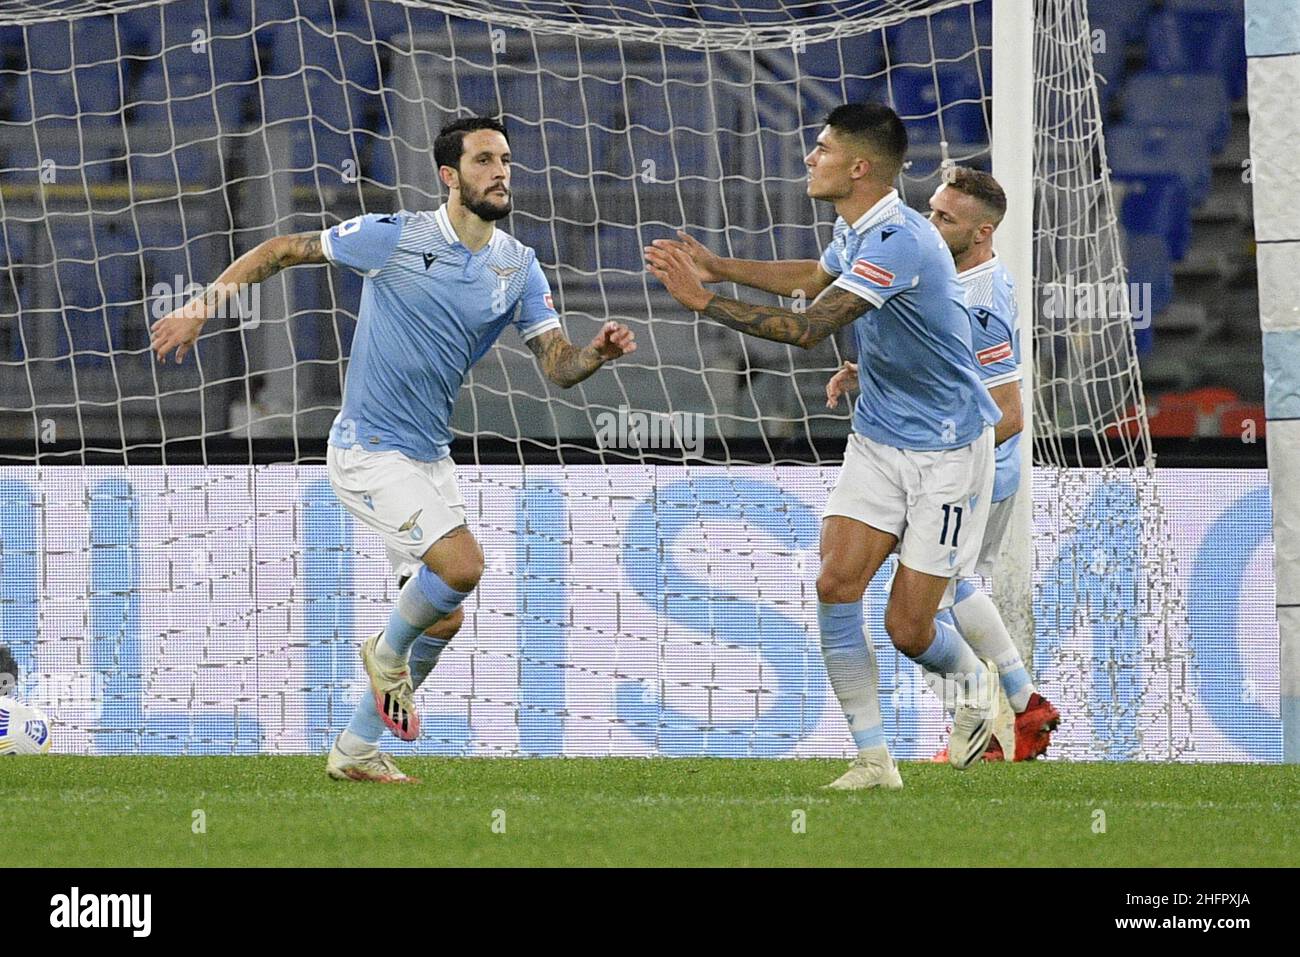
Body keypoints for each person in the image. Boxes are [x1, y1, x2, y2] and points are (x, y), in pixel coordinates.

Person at [151, 116, 636, 782]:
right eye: (485, 160)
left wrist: (597, 355)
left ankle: (353, 749)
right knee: (462, 564)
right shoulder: (395, 236)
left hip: (429, 455)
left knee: (442, 620)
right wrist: (203, 306)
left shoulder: (516, 265)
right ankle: (384, 651)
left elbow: (556, 364)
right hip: (368, 448)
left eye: (506, 160)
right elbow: (286, 248)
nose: (500, 171)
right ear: (450, 176)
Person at [646, 103, 1001, 789]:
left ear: (860, 166)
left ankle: (975, 691)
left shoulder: (900, 238)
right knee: (836, 585)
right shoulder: (857, 227)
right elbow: (816, 276)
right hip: (879, 434)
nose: (811, 158)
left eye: (822, 148)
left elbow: (811, 327)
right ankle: (874, 759)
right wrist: (720, 266)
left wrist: (703, 302)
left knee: (907, 627)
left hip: (949, 450)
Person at [826, 165, 1060, 762]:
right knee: (945, 592)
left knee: (924, 607)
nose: (929, 224)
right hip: (948, 458)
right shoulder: (951, 276)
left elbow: (1008, 410)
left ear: (981, 233)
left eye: (945, 218)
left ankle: (996, 715)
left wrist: (947, 449)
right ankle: (1020, 707)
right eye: (930, 210)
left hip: (972, 467)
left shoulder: (981, 298)